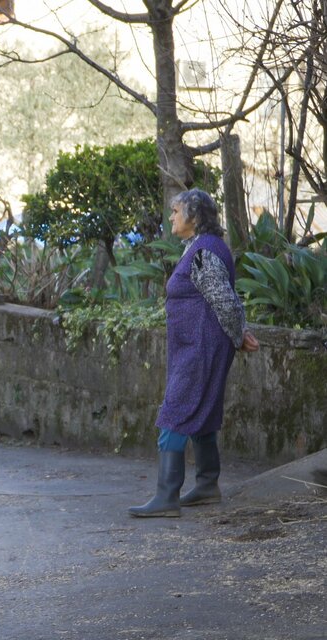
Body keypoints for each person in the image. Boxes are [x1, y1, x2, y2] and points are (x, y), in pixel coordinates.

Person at [129, 189, 259, 517]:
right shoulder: (199, 247)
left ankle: (166, 497)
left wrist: (238, 334)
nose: (171, 216)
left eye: (176, 211)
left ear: (195, 216)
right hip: (197, 345)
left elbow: (225, 300)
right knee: (203, 412)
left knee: (175, 413)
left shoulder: (204, 252)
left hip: (201, 347)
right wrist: (237, 334)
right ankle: (206, 486)